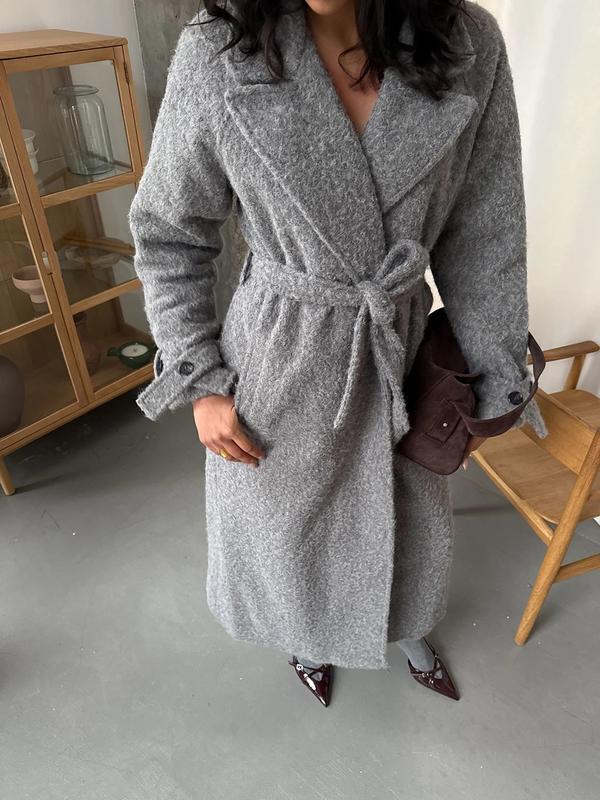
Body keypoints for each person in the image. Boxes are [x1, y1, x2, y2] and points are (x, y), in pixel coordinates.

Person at [128, 0, 548, 708]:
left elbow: (486, 235)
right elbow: (171, 232)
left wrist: (492, 377)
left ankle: (404, 628)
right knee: (290, 533)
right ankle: (308, 637)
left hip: (398, 353)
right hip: (280, 357)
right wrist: (200, 379)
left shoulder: (466, 43)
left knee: (405, 522)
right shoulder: (220, 48)